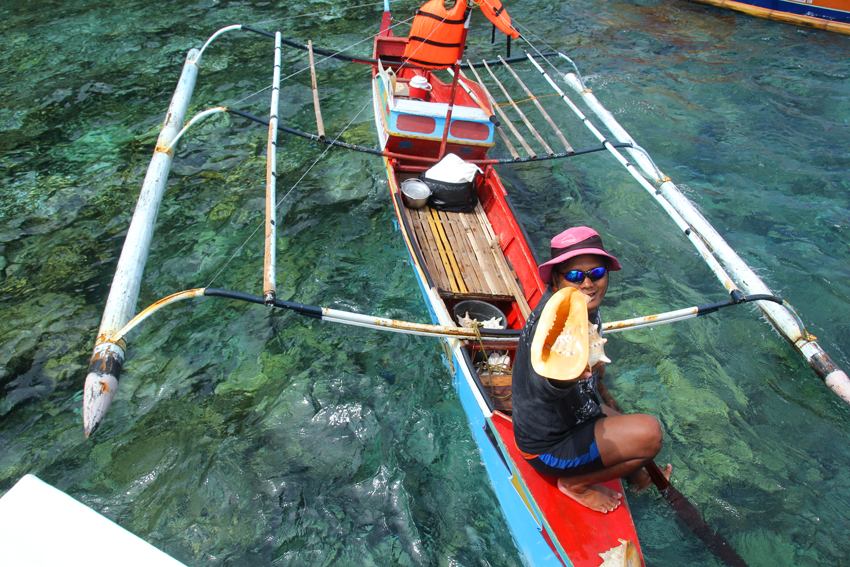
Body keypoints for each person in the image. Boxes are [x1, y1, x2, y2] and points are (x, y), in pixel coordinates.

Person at [511, 226, 672, 514]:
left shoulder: (583, 308)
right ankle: (575, 484)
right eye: (574, 276)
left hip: (576, 416)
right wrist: (566, 377)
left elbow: (591, 375)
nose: (587, 283)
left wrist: (595, 378)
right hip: (548, 447)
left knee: (631, 426)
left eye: (596, 273)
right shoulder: (552, 330)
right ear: (557, 281)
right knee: (650, 434)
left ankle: (633, 469)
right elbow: (546, 385)